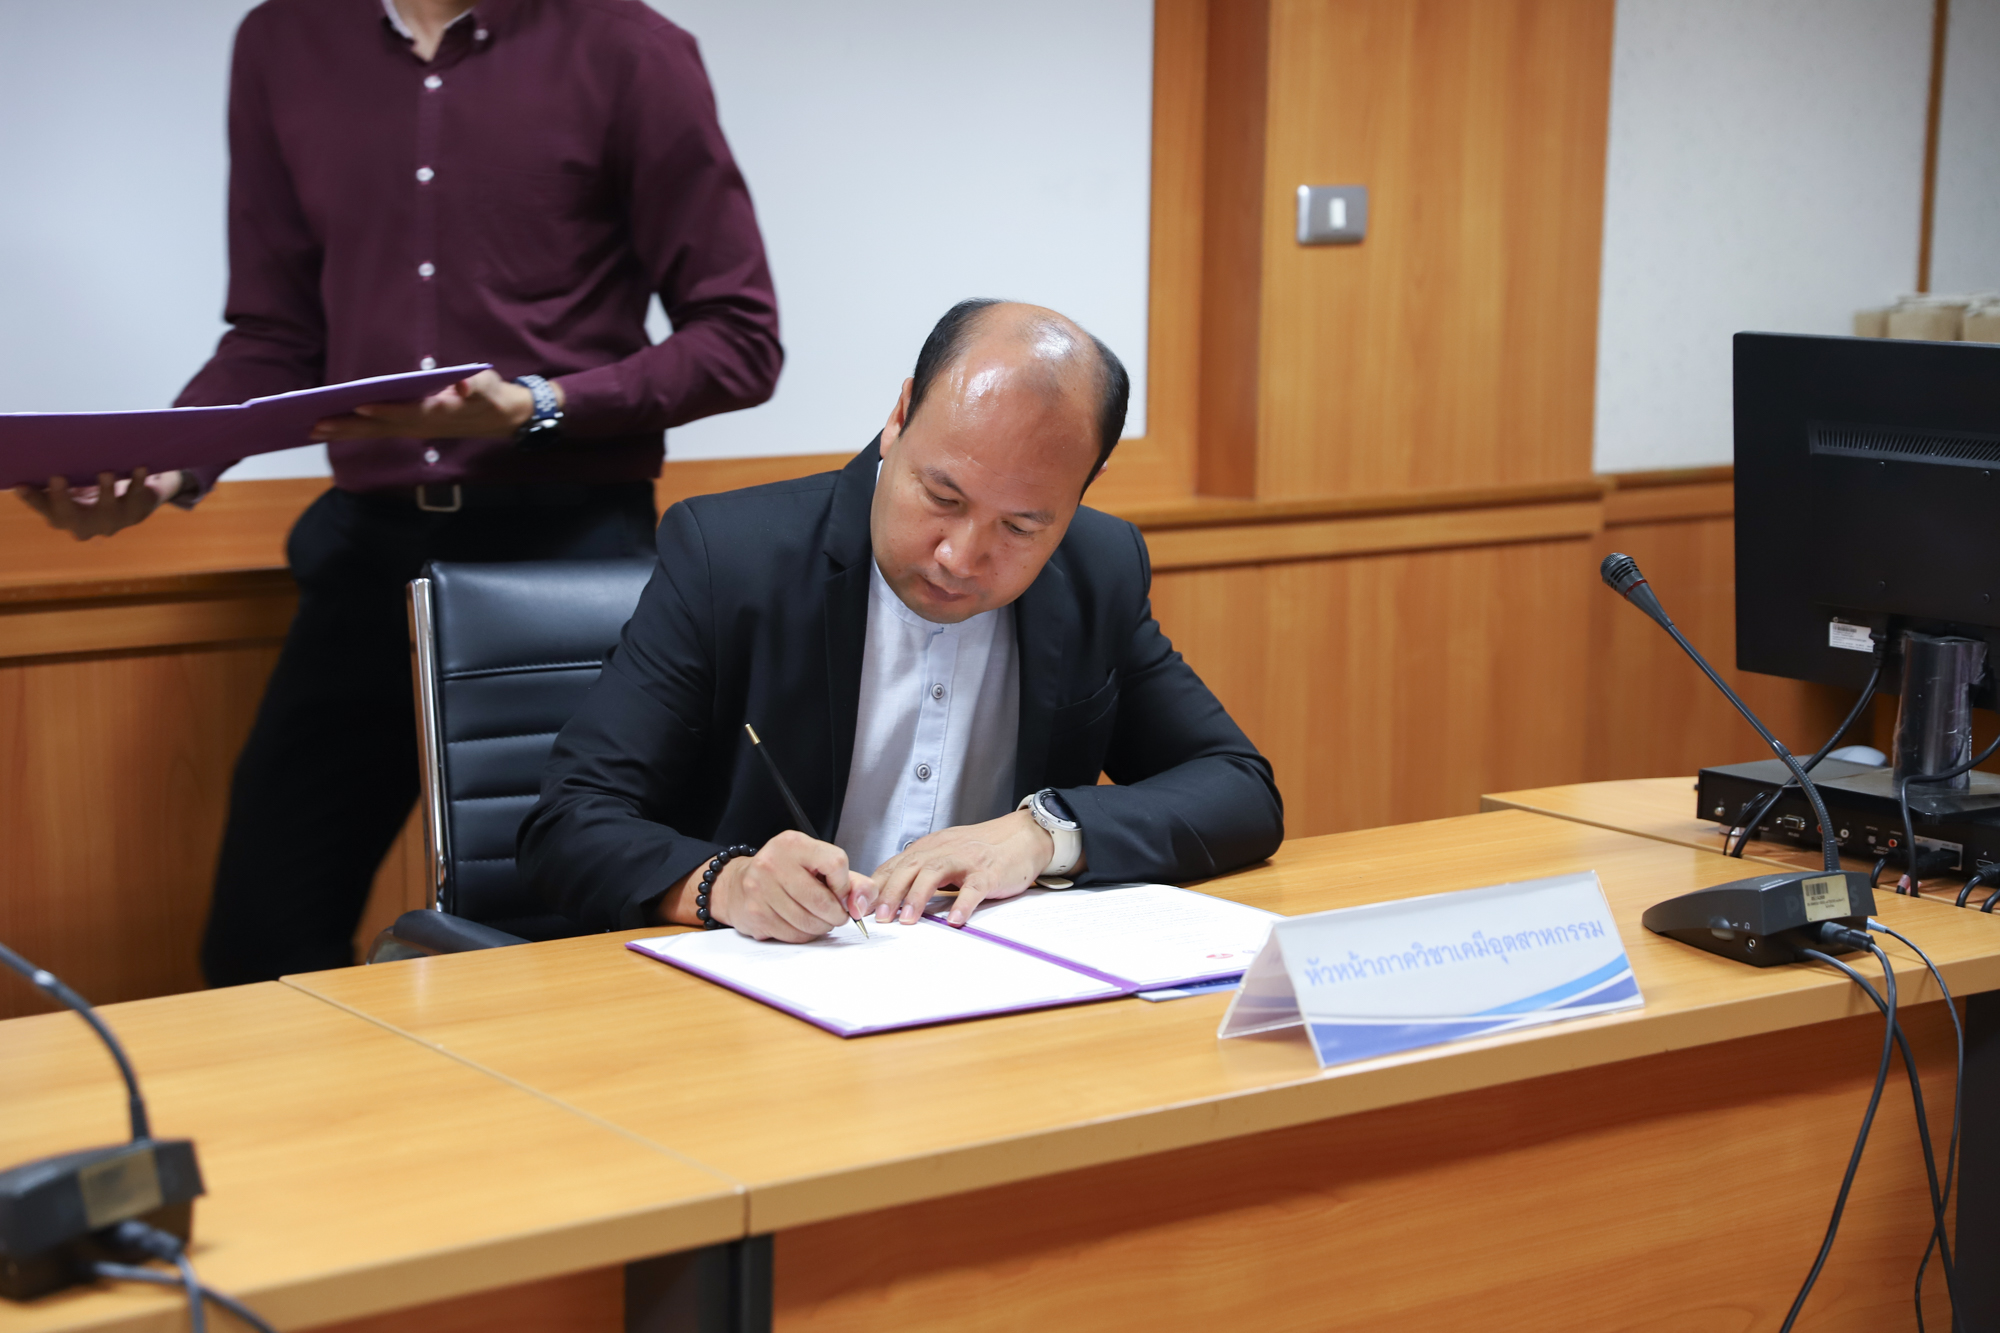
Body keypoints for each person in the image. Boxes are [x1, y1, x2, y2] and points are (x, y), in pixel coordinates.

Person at [14, 0, 782, 983]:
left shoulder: (629, 48)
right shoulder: (282, 41)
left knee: (571, 929)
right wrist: (166, 466)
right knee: (261, 941)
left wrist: (539, 405)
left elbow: (738, 337)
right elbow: (276, 332)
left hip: (569, 560)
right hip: (365, 553)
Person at [520, 300, 1282, 942]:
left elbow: (1237, 787)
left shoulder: (1098, 567)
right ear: (899, 417)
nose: (960, 555)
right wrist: (728, 882)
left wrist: (1044, 832)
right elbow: (567, 824)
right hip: (755, 996)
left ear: (1084, 487)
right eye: (942, 497)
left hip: (991, 992)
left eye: (1020, 526)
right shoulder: (731, 557)